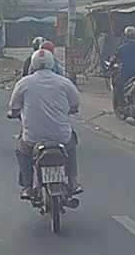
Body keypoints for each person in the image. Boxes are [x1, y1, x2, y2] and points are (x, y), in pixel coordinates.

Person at [9, 49, 81, 201]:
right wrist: (70, 109)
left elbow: (14, 106)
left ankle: (28, 187)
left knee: (22, 150)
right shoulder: (64, 82)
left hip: (33, 138)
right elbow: (75, 103)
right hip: (61, 137)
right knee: (71, 144)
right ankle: (73, 181)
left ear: (33, 64)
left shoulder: (24, 83)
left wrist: (14, 113)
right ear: (52, 63)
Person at [111, 25, 135, 110]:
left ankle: (121, 104)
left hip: (127, 72)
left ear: (125, 35)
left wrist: (110, 64)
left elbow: (114, 58)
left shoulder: (122, 47)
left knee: (117, 85)